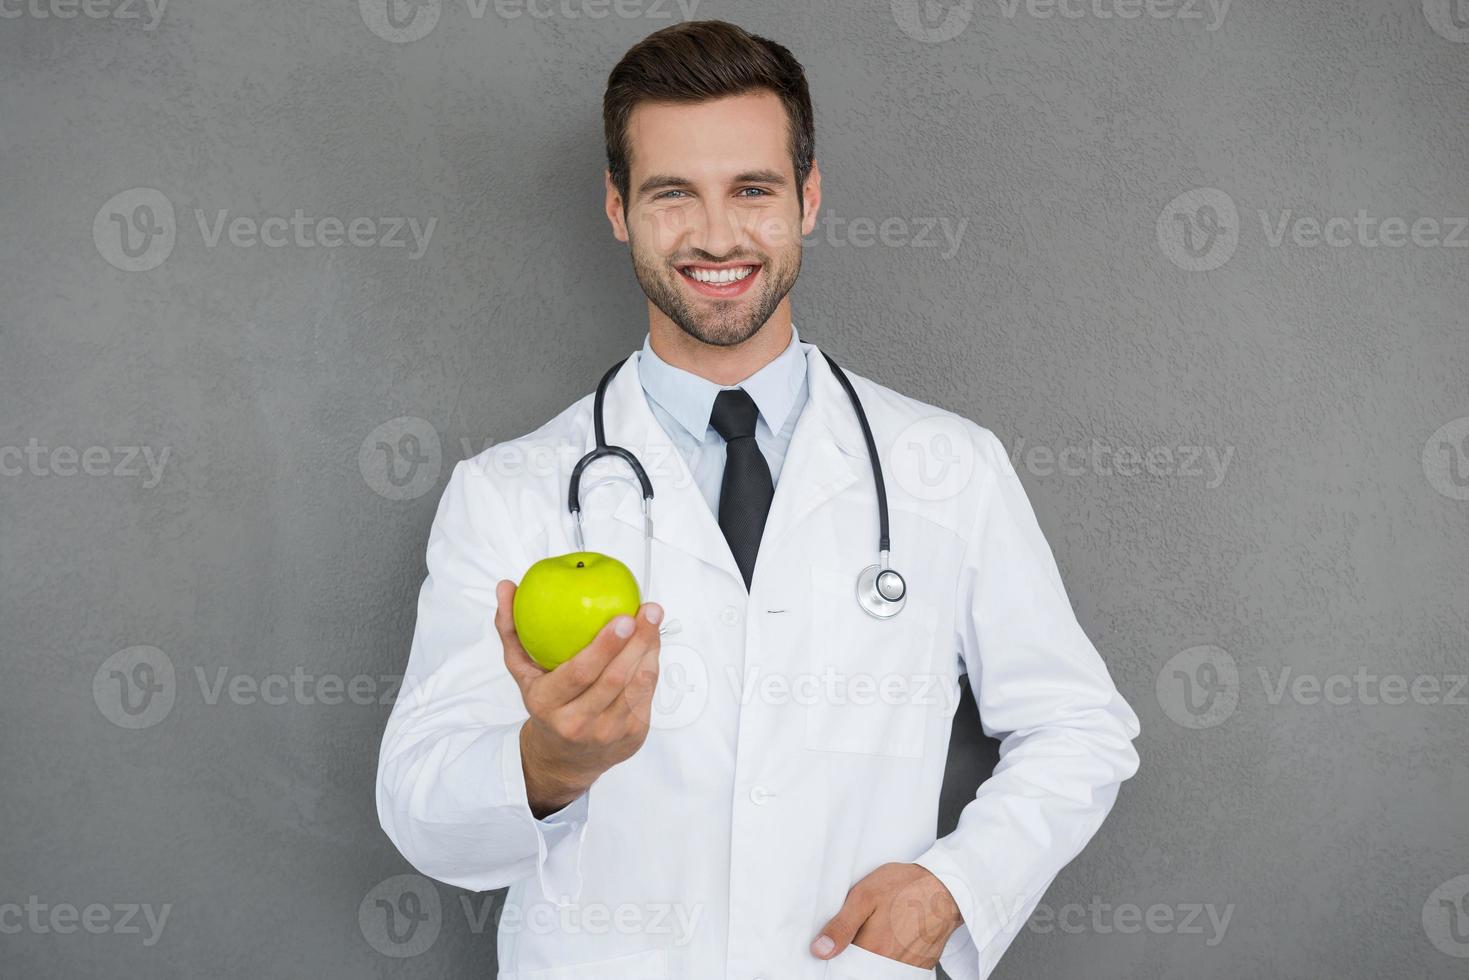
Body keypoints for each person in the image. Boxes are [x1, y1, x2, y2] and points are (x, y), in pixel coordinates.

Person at [376, 19, 1141, 980]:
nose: (716, 235)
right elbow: (419, 812)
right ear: (617, 209)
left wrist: (955, 890)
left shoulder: (947, 467)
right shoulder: (508, 493)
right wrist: (549, 764)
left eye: (752, 189)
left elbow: (1078, 726)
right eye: (670, 195)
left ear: (807, 198)